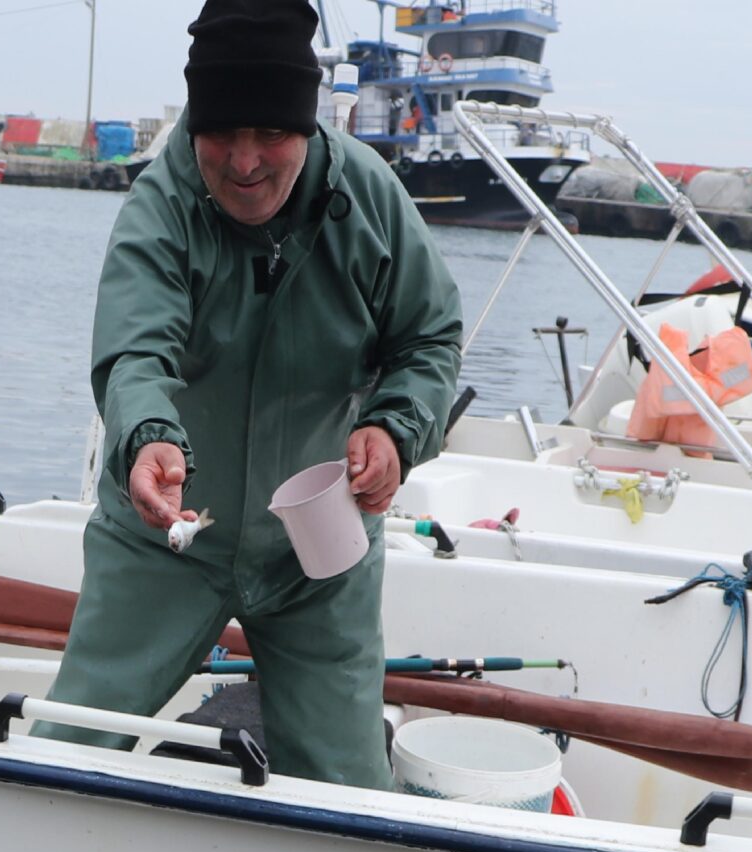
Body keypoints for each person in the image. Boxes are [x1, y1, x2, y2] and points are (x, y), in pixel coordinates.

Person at [38, 0, 462, 789]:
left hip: (321, 549)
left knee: (348, 787)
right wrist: (149, 438)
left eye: (270, 132)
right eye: (221, 133)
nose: (243, 161)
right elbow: (135, 351)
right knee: (70, 744)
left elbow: (429, 338)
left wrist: (396, 429)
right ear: (194, 120)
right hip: (166, 535)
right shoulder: (159, 208)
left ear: (309, 124)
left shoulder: (370, 199)